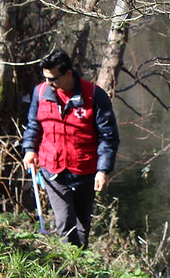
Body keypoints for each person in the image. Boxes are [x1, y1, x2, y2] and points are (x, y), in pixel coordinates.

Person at [22, 49, 120, 248]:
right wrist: (30, 149)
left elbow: (108, 136)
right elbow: (33, 124)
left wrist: (103, 170)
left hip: (85, 169)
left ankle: (81, 264)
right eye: (45, 78)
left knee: (83, 223)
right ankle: (69, 267)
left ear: (68, 73)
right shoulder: (41, 93)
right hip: (53, 168)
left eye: (53, 79)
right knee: (65, 220)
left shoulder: (94, 95)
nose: (48, 84)